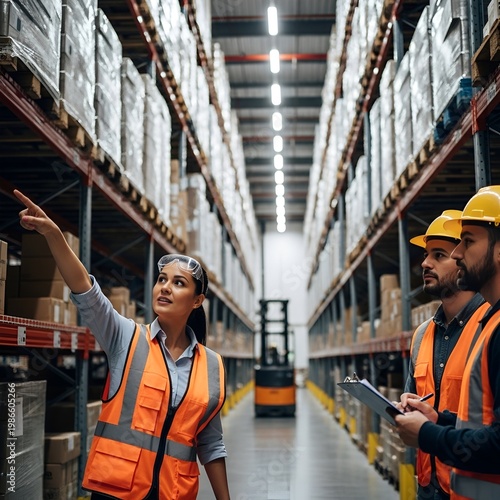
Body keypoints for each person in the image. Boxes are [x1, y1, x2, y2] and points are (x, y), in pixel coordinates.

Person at [14, 189, 231, 500]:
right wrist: (53, 235)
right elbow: (87, 293)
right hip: (117, 492)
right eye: (162, 279)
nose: (165, 287)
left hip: (173, 494)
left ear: (197, 301)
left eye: (178, 283)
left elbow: (211, 443)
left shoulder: (211, 367)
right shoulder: (126, 338)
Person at [395, 186, 500, 499]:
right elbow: (478, 423)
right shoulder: (488, 323)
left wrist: (429, 434)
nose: (456, 254)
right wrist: (437, 419)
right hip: (441, 484)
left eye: (466, 242)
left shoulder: (487, 328)